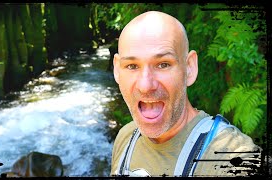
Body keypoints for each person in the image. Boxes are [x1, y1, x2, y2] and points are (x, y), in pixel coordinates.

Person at [110, 11, 262, 177]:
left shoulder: (229, 156)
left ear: (190, 68)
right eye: (132, 66)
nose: (146, 86)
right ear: (117, 71)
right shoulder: (126, 138)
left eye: (163, 64)